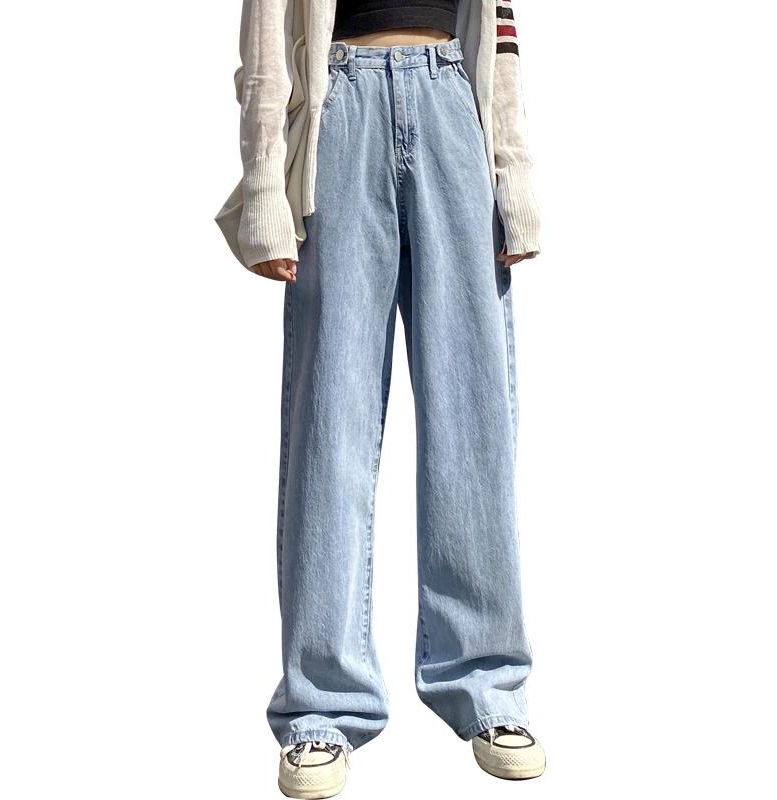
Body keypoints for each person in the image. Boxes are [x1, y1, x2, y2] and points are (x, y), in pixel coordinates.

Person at [216, 2, 546, 797]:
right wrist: (263, 186)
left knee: (473, 423)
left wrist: (514, 176)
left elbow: (501, 36)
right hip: (340, 112)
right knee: (330, 426)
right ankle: (321, 705)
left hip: (452, 102)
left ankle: (487, 685)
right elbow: (265, 45)